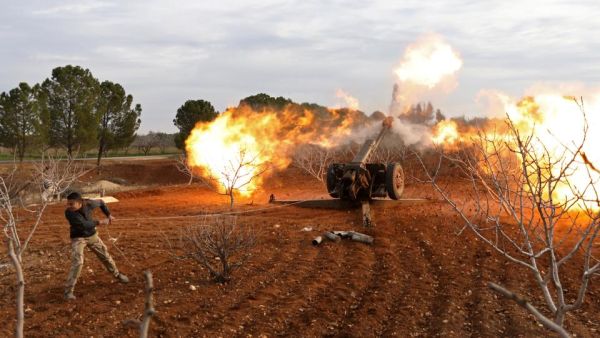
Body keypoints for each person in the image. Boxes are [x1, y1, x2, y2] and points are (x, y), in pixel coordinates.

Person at [63, 191, 129, 300]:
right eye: (68, 203)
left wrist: (108, 214)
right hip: (78, 238)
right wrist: (101, 222)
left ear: (80, 203)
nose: (68, 206)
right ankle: (68, 292)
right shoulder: (69, 213)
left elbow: (101, 202)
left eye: (71, 204)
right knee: (78, 262)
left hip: (92, 235)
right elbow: (84, 225)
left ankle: (117, 275)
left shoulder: (89, 203)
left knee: (105, 256)